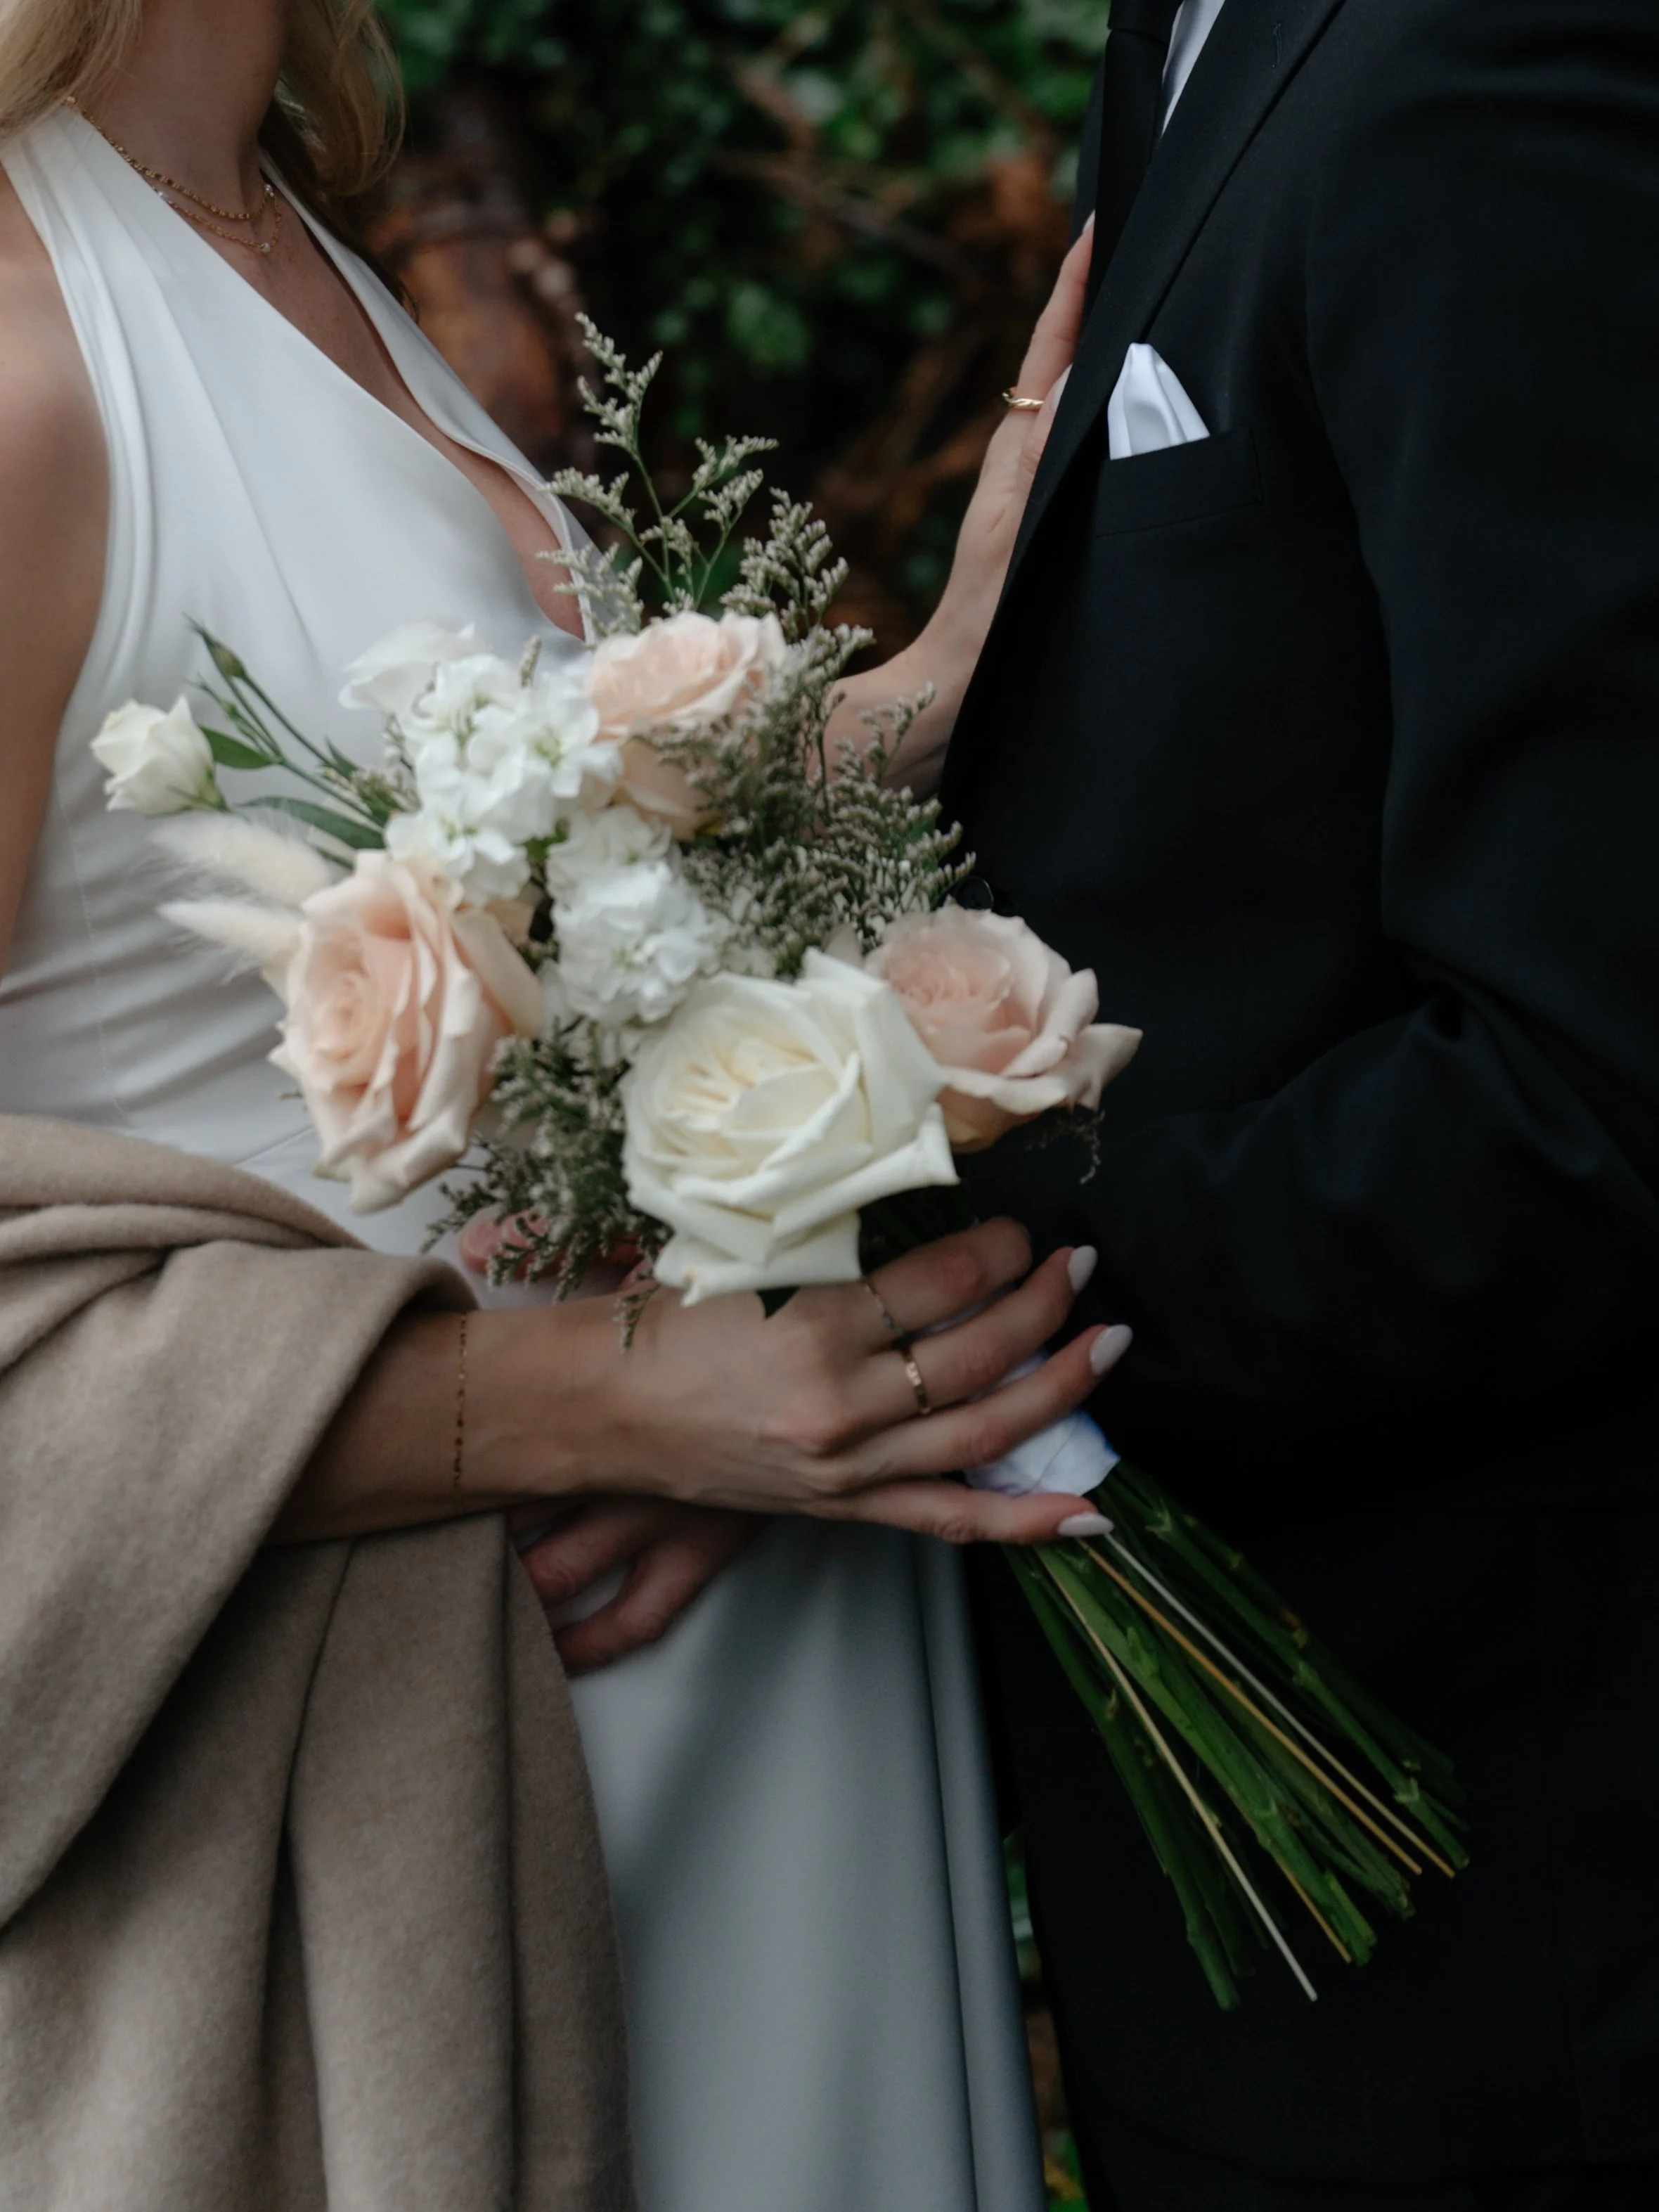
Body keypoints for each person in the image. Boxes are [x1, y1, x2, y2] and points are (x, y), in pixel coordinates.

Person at [0, 3, 1125, 2207]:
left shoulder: (291, 252)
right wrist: (600, 1410)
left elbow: (576, 876)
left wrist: (963, 647)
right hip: (412, 1802)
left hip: (736, 1696)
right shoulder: (26, 359)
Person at [945, 0, 1659, 2206]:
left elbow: (1595, 1096)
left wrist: (962, 1283)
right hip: (1299, 1839)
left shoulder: (1494, 48)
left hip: (1497, 1837)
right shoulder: (1204, 37)